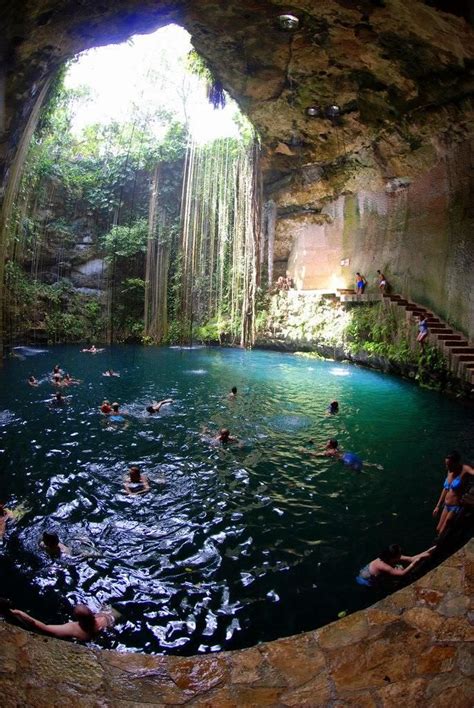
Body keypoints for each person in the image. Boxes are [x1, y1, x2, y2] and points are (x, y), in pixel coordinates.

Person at [8, 603, 114, 641]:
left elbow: (43, 627)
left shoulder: (73, 629)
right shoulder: (104, 619)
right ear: (92, 614)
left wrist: (21, 613)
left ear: (77, 619)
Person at [433, 451, 474, 535]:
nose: (447, 467)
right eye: (446, 464)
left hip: (455, 507)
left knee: (442, 531)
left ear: (456, 463)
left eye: (449, 464)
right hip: (446, 505)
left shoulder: (464, 469)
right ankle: (438, 544)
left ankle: (440, 546)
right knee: (438, 529)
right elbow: (445, 489)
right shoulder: (450, 471)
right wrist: (437, 506)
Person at [356, 544, 435, 586]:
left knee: (399, 567)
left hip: (367, 571)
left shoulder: (388, 556)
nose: (401, 555)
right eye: (399, 555)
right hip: (368, 580)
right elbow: (402, 574)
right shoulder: (383, 566)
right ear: (393, 557)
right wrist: (414, 564)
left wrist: (429, 551)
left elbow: (411, 558)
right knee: (400, 570)